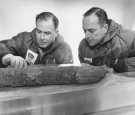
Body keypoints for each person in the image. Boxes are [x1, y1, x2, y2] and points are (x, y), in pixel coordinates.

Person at [0, 12, 73, 68]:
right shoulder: (23, 39)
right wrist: (9, 58)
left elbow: (68, 75)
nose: (41, 37)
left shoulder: (65, 50)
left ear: (56, 33)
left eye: (47, 33)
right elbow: (3, 47)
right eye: (38, 32)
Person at [78, 7, 135, 73]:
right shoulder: (83, 46)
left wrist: (121, 65)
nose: (86, 35)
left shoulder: (130, 38)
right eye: (84, 30)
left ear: (105, 28)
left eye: (91, 30)